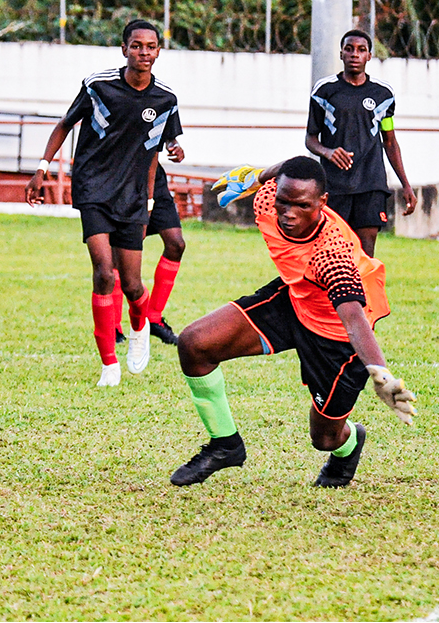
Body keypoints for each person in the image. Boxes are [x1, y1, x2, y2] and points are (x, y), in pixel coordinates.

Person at [171, 157, 417, 488]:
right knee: (194, 343)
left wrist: (381, 373)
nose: (288, 213)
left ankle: (350, 444)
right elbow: (285, 171)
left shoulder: (332, 254)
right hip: (295, 299)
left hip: (336, 337)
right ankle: (225, 444)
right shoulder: (266, 200)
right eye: (283, 202)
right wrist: (257, 175)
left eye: (301, 206)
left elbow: (354, 318)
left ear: (321, 204)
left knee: (324, 439)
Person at [26, 19, 182, 387]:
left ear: (159, 51)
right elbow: (65, 124)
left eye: (151, 46)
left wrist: (171, 153)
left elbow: (161, 148)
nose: (143, 52)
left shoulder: (166, 99)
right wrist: (42, 167)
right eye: (137, 45)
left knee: (132, 284)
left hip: (130, 195)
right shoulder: (98, 86)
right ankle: (109, 365)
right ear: (124, 48)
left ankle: (141, 326)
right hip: (93, 188)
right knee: (102, 270)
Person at [305, 29, 417, 257]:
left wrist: (405, 184)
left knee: (366, 253)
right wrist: (328, 152)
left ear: (369, 56)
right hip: (334, 185)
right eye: (349, 49)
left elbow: (389, 140)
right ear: (341, 54)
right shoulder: (324, 91)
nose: (354, 54)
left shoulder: (383, 95)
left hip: (371, 182)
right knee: (333, 250)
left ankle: (364, 293)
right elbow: (310, 139)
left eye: (361, 50)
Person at [111, 139, 185, 346]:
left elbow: (167, 133)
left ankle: (153, 318)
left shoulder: (166, 104)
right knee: (118, 253)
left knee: (176, 243)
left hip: (153, 177)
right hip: (120, 177)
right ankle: (114, 326)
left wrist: (174, 145)